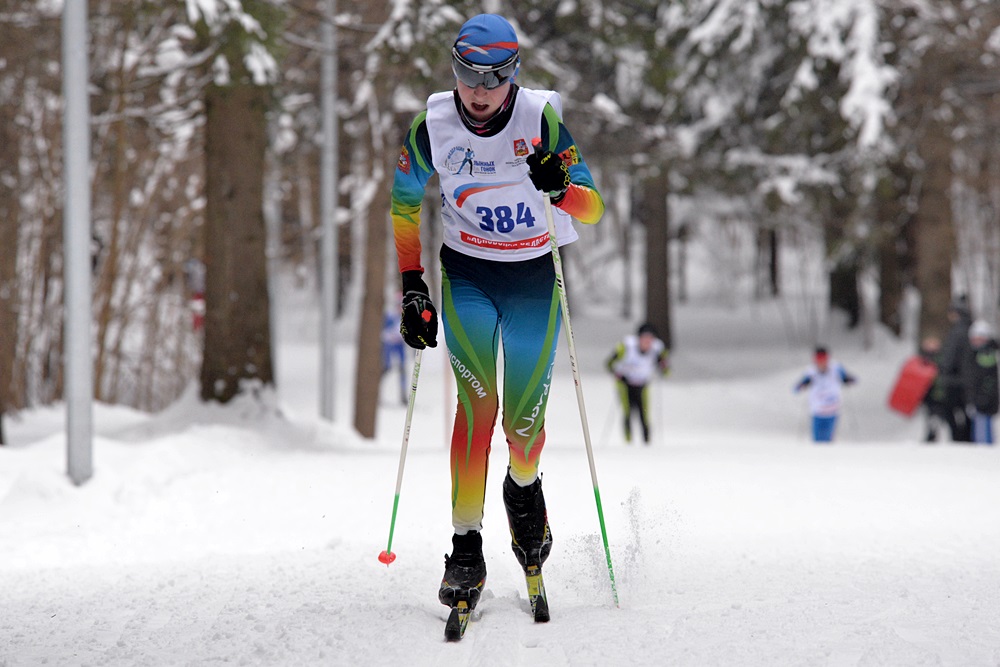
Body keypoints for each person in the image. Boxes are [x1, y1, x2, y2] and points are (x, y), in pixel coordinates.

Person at [389, 14, 604, 623]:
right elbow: (405, 204)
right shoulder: (432, 126)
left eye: (492, 78)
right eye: (465, 74)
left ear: (513, 75)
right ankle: (465, 548)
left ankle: (524, 488)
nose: (477, 91)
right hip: (469, 278)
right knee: (475, 410)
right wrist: (412, 286)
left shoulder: (540, 120)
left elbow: (592, 208)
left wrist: (560, 186)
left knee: (523, 428)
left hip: (534, 279)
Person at [606, 323, 669, 444]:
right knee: (627, 412)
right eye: (644, 338)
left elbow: (666, 371)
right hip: (625, 384)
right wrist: (617, 373)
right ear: (639, 338)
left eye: (650, 339)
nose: (647, 342)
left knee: (644, 413)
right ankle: (628, 442)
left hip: (642, 384)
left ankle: (646, 442)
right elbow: (609, 364)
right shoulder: (627, 346)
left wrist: (663, 365)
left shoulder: (657, 350)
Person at [793, 346, 857, 443]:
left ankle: (827, 456)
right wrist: (803, 385)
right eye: (819, 360)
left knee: (827, 438)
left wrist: (848, 380)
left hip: (832, 410)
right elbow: (797, 387)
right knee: (817, 439)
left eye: (824, 360)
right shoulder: (811, 372)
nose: (821, 363)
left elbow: (849, 379)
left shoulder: (836, 368)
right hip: (817, 410)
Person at [937, 296, 973, 441]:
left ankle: (960, 439)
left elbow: (950, 357)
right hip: (966, 379)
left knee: (949, 410)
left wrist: (942, 368)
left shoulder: (957, 332)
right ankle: (966, 437)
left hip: (954, 380)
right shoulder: (970, 328)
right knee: (965, 411)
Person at [963, 320, 999, 444]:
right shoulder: (972, 354)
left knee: (983, 437)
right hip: (977, 400)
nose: (976, 342)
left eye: (980, 338)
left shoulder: (988, 354)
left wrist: (983, 397)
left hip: (985, 401)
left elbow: (987, 379)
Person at [918, 336, 949, 442]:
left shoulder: (941, 359)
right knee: (930, 415)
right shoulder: (923, 358)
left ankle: (934, 435)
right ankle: (931, 435)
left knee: (936, 415)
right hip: (928, 393)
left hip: (938, 393)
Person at [381, 301, 408, 405]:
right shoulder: (390, 316)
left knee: (402, 370)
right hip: (389, 346)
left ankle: (403, 396)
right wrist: (391, 336)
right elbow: (383, 333)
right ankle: (378, 394)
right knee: (386, 368)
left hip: (399, 347)